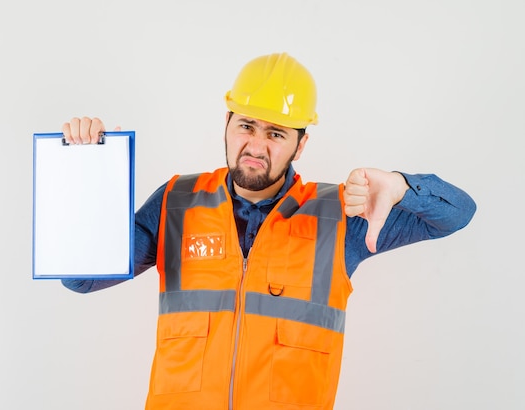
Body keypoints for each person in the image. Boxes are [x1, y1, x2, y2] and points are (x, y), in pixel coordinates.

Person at [60, 52, 476, 410]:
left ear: (300, 144)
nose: (257, 146)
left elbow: (457, 214)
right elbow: (81, 277)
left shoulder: (342, 216)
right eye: (246, 125)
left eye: (276, 133)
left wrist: (403, 187)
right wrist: (87, 175)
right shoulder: (176, 201)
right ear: (226, 122)